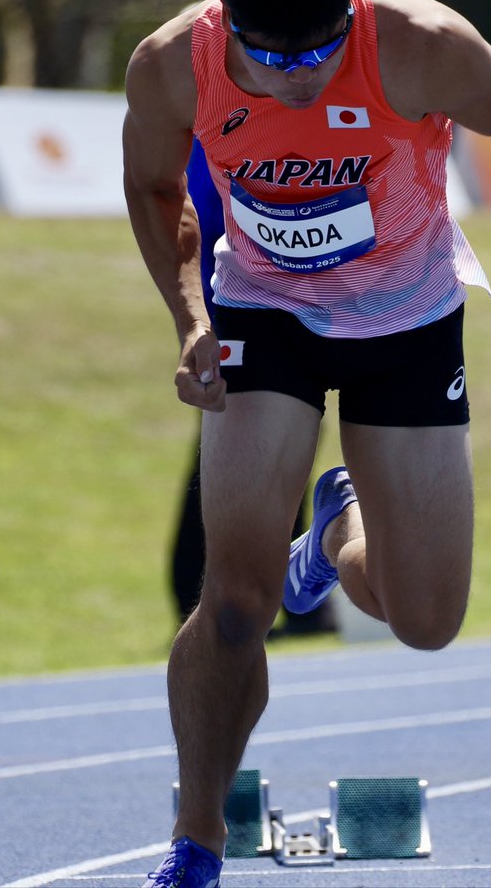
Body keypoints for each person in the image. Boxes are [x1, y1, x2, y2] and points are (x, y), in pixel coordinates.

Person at [123, 0, 491, 888]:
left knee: (426, 621)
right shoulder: (174, 65)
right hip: (264, 314)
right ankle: (196, 844)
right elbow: (152, 186)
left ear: (350, 9)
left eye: (317, 50)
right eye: (269, 55)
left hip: (405, 319)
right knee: (234, 599)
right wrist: (192, 316)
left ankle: (335, 530)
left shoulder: (419, 42)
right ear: (224, 16)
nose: (293, 77)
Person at [169, 136, 335, 637]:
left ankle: (294, 606)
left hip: (290, 307)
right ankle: (205, 602)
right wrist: (204, 322)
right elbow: (197, 221)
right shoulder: (217, 112)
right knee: (236, 453)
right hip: (240, 310)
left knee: (282, 452)